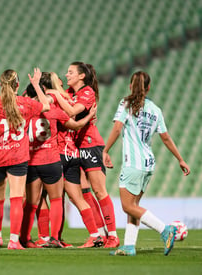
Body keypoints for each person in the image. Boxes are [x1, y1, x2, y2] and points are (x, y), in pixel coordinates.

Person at [103, 71, 190, 256]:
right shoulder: (155, 110)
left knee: (128, 206)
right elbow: (165, 138)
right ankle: (129, 246)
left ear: (129, 86)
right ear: (148, 87)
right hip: (148, 164)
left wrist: (105, 150)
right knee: (134, 206)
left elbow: (117, 128)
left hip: (133, 164)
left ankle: (165, 229)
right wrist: (180, 159)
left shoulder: (126, 104)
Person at [0, 68, 50, 250]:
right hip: (18, 156)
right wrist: (36, 85)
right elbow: (46, 106)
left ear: (1, 85)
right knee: (17, 198)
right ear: (17, 86)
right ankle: (14, 241)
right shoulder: (26, 103)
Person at [19, 80, 97, 248]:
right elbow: (74, 125)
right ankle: (55, 238)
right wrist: (90, 116)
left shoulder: (24, 112)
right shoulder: (53, 111)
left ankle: (26, 238)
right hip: (53, 160)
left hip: (32, 161)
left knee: (33, 202)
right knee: (56, 200)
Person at [50, 62, 119, 247]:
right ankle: (98, 235)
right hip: (74, 146)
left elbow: (72, 111)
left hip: (90, 144)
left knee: (98, 190)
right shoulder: (70, 94)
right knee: (83, 193)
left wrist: (56, 94)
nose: (67, 75)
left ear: (81, 76)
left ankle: (113, 235)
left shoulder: (87, 92)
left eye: (70, 72)